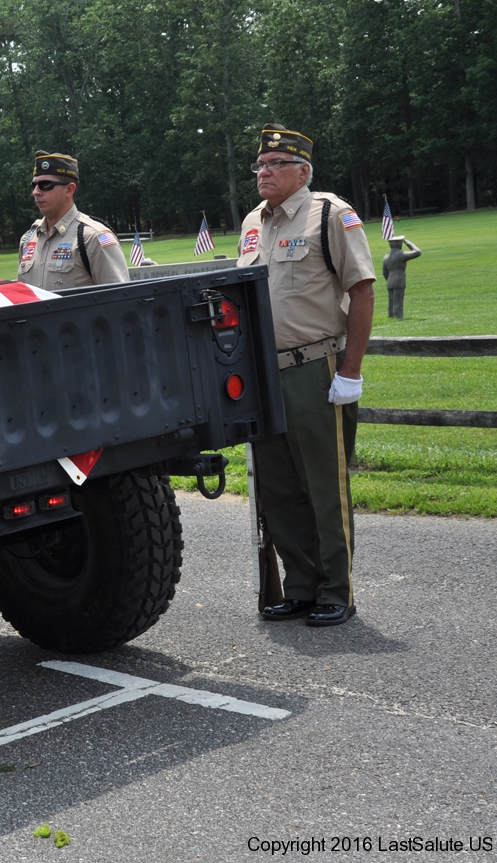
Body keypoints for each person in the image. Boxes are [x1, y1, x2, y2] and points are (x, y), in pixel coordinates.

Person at [237, 126, 376, 627]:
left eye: (276, 163)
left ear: (303, 171)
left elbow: (362, 290)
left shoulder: (329, 213)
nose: (264, 172)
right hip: (264, 375)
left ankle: (336, 590)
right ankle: (299, 585)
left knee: (324, 487)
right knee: (278, 488)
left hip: (315, 368)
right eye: (260, 164)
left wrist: (350, 371)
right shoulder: (253, 222)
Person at [17, 152, 128, 290]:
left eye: (45, 184)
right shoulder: (28, 239)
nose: (36, 192)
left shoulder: (92, 238)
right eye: (33, 185)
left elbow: (119, 297)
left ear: (69, 190)